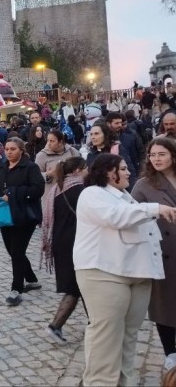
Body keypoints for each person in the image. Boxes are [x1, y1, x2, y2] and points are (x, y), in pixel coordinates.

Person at [75, 153, 174, 386]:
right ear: (109, 172)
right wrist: (155, 208)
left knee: (129, 337)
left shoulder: (124, 196)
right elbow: (116, 217)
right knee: (106, 336)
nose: (128, 172)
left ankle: (124, 381)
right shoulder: (92, 194)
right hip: (104, 273)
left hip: (136, 274)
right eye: (122, 168)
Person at [131, 138, 176, 372]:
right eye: (152, 155)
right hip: (163, 251)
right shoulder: (144, 185)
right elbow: (132, 215)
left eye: (162, 154)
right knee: (165, 304)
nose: (156, 159)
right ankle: (171, 352)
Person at [0, 137, 45, 307]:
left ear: (21, 150)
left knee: (18, 251)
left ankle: (16, 289)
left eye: (13, 149)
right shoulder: (1, 167)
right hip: (5, 215)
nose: (9, 152)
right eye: (7, 149)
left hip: (24, 216)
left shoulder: (30, 167)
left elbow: (37, 189)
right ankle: (32, 280)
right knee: (12, 251)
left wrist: (13, 193)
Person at [40, 157, 87, 345]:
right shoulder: (81, 191)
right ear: (77, 170)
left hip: (60, 242)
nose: (88, 171)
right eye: (86, 168)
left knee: (77, 288)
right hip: (76, 243)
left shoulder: (57, 189)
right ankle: (55, 326)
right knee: (78, 287)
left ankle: (58, 326)